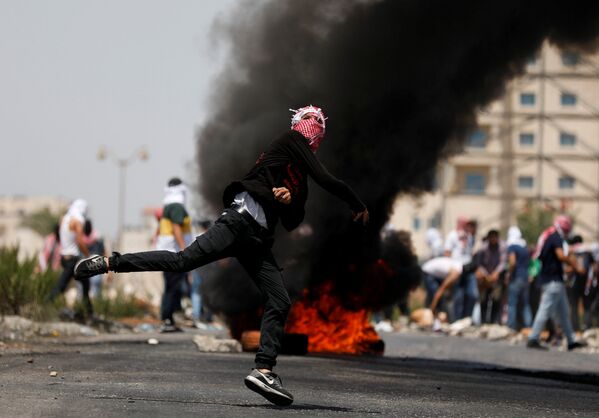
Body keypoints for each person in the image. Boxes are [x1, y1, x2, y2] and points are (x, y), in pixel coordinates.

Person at [75, 105, 369, 406]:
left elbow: (294, 220)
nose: (313, 124)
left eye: (318, 121)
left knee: (279, 300)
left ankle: (263, 370)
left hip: (256, 240)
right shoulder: (290, 141)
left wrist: (289, 198)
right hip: (237, 222)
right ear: (298, 123)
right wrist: (356, 203)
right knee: (181, 261)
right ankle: (111, 262)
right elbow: (328, 179)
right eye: (308, 119)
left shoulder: (301, 181)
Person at [527, 215, 586, 350]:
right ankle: (533, 338)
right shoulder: (555, 238)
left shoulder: (549, 237)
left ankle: (571, 340)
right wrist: (576, 266)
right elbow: (560, 255)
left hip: (554, 281)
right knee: (545, 310)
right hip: (553, 281)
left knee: (564, 312)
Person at [155, 177, 194, 333]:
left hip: (167, 251)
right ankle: (167, 320)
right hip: (174, 253)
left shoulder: (168, 206)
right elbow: (176, 228)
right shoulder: (177, 206)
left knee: (170, 287)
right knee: (173, 287)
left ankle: (167, 319)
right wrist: (185, 251)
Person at [48, 199, 93, 317]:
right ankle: (45, 305)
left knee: (85, 283)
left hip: (65, 257)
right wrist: (88, 255)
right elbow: (80, 240)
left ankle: (87, 311)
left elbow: (58, 235)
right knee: (62, 286)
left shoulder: (64, 218)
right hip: (72, 259)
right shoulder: (78, 221)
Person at [473, 230, 507, 324]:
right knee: (483, 300)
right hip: (484, 277)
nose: (493, 240)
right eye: (491, 238)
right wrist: (485, 274)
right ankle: (483, 321)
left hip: (497, 277)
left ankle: (492, 321)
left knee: (496, 299)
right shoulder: (483, 248)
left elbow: (503, 262)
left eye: (494, 237)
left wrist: (496, 273)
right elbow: (479, 263)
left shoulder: (502, 246)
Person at [566, 235, 596, 331]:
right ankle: (588, 328)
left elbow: (570, 269)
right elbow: (593, 267)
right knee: (587, 306)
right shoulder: (587, 251)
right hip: (587, 284)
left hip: (574, 284)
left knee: (574, 306)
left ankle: (575, 329)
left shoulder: (570, 251)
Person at [505, 226, 532, 330]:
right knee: (525, 304)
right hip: (525, 277)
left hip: (516, 277)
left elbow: (512, 262)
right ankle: (528, 326)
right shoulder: (524, 247)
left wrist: (509, 274)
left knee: (512, 303)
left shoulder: (512, 246)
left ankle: (511, 326)